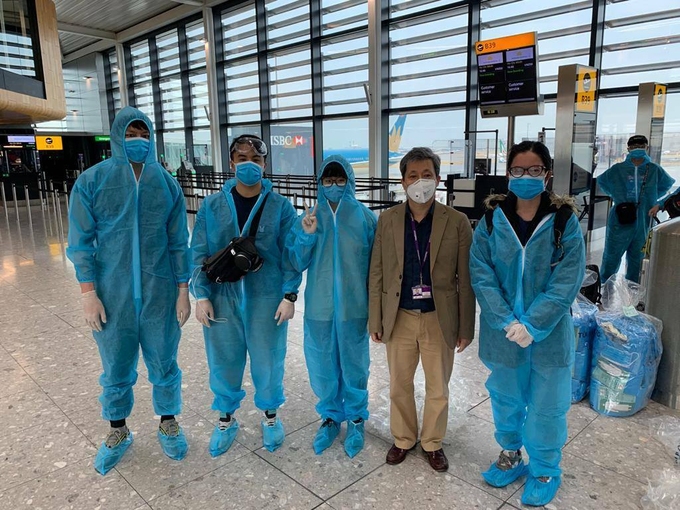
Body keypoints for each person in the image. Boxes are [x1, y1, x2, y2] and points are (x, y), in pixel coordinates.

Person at [67, 106, 191, 475]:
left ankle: (168, 422)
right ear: (118, 137)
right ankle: (118, 430)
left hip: (160, 292)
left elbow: (178, 243)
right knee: (115, 365)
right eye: (131, 134)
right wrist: (88, 293)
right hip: (112, 293)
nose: (138, 140)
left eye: (144, 134)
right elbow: (80, 242)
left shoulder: (167, 184)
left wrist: (183, 290)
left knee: (164, 360)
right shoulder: (92, 181)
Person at [469, 140, 585, 506]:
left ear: (547, 174)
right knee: (506, 397)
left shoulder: (563, 221)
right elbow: (481, 272)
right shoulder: (492, 219)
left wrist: (533, 325)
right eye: (518, 170)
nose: (526, 176)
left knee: (546, 405)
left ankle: (546, 468)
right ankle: (511, 454)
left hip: (549, 334)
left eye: (534, 170)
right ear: (508, 174)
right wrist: (505, 319)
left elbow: (567, 280)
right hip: (502, 333)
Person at [190, 134, 301, 457]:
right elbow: (198, 251)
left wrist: (289, 295)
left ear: (265, 165)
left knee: (269, 359)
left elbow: (290, 254)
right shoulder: (212, 206)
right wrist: (201, 295)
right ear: (231, 163)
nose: (249, 164)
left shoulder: (280, 207)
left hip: (267, 299)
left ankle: (270, 416)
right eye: (242, 159)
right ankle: (226, 418)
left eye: (255, 159)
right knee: (223, 359)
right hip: (221, 298)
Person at [368, 147, 475, 472]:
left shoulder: (456, 222)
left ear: (437, 179)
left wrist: (466, 327)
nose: (420, 181)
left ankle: (432, 442)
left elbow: (466, 278)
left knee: (437, 387)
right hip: (399, 316)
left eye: (426, 174)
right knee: (399, 384)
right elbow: (377, 272)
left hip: (438, 318)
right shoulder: (387, 220)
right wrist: (376, 318)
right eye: (413, 175)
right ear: (403, 181)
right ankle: (403, 438)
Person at [287, 155, 377, 458]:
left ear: (349, 182)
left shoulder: (366, 219)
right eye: (328, 180)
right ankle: (329, 417)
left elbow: (378, 268)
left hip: (355, 308)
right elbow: (295, 262)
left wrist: (377, 309)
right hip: (320, 308)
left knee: (355, 364)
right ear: (320, 183)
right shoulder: (309, 218)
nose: (334, 186)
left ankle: (356, 418)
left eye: (339, 180)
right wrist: (307, 236)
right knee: (322, 363)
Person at [598, 135, 675, 283]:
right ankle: (604, 287)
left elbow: (666, 185)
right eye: (634, 147)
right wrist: (618, 196)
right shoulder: (617, 169)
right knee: (612, 256)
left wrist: (651, 200)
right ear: (628, 149)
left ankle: (633, 289)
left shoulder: (654, 169)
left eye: (641, 146)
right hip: (620, 219)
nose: (637, 149)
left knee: (638, 258)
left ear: (647, 148)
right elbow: (603, 182)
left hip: (644, 217)